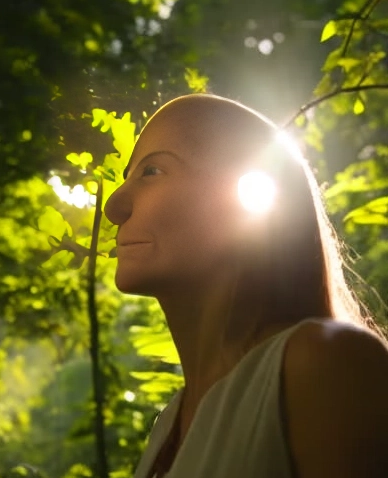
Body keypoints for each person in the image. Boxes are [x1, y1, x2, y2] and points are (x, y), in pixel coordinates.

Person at [104, 94, 388, 478]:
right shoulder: (170, 422)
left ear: (249, 195)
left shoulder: (325, 366)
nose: (115, 205)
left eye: (151, 171)